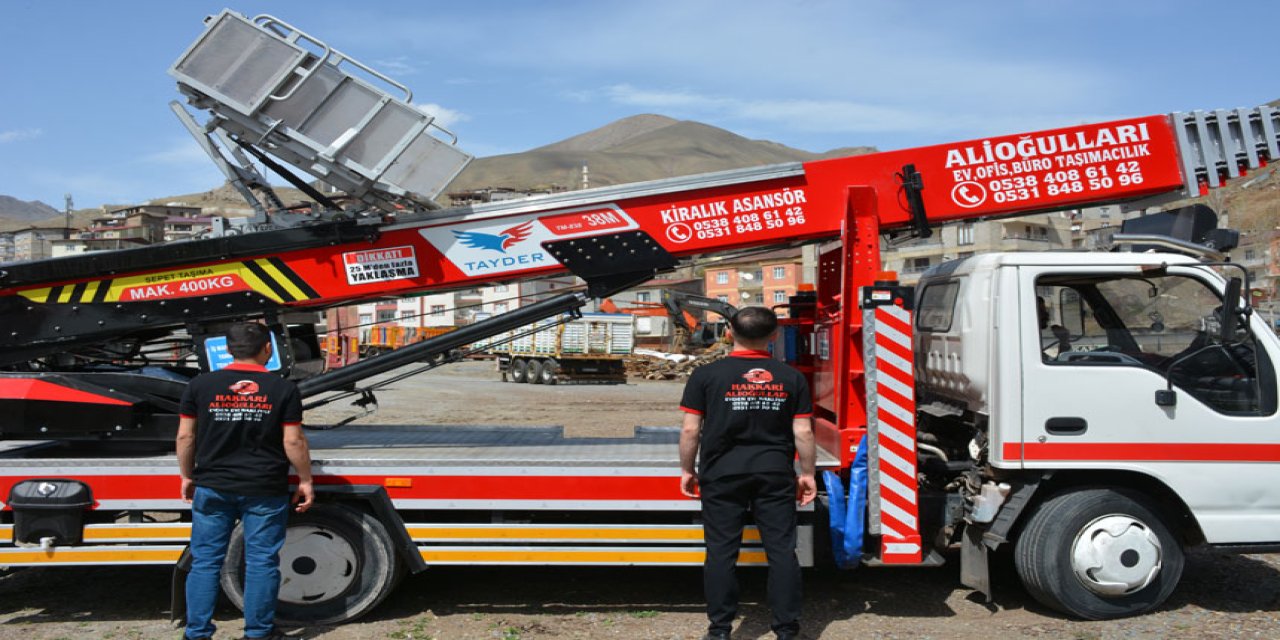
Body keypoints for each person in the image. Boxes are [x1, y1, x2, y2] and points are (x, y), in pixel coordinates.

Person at [678, 306, 817, 640]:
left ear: (729, 332)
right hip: (773, 472)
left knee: (721, 552)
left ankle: (720, 629)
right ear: (773, 336)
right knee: (781, 552)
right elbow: (804, 433)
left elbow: (690, 431)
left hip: (722, 473)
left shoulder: (706, 376)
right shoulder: (792, 377)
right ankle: (786, 629)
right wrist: (808, 473)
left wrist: (686, 469)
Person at [177, 322, 314, 640]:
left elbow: (186, 435)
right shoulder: (283, 389)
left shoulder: (201, 385)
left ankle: (196, 633)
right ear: (268, 349)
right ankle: (258, 633)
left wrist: (187, 475)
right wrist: (305, 480)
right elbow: (293, 442)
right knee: (261, 562)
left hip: (213, 486)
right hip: (264, 489)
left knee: (206, 561)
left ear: (226, 350)